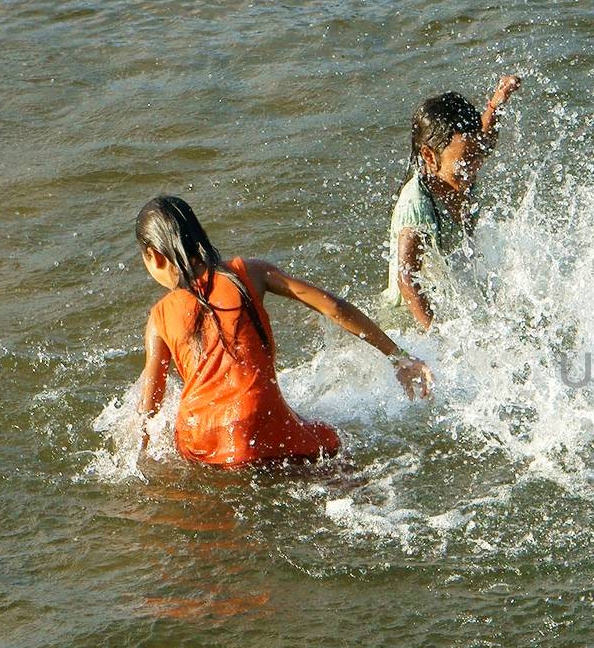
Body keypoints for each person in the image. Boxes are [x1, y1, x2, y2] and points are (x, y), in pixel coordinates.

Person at [136, 195, 432, 467]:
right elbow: (334, 307)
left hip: (200, 440)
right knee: (336, 448)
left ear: (154, 256)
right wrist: (398, 356)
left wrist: (141, 452)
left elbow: (150, 403)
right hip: (259, 424)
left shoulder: (158, 317)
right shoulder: (248, 272)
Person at [385, 75, 522, 328]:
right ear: (429, 154)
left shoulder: (461, 167)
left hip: (451, 290)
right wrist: (438, 336)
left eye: (477, 155)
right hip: (409, 318)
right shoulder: (416, 205)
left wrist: (496, 102)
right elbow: (407, 280)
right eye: (466, 160)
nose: (475, 166)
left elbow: (484, 138)